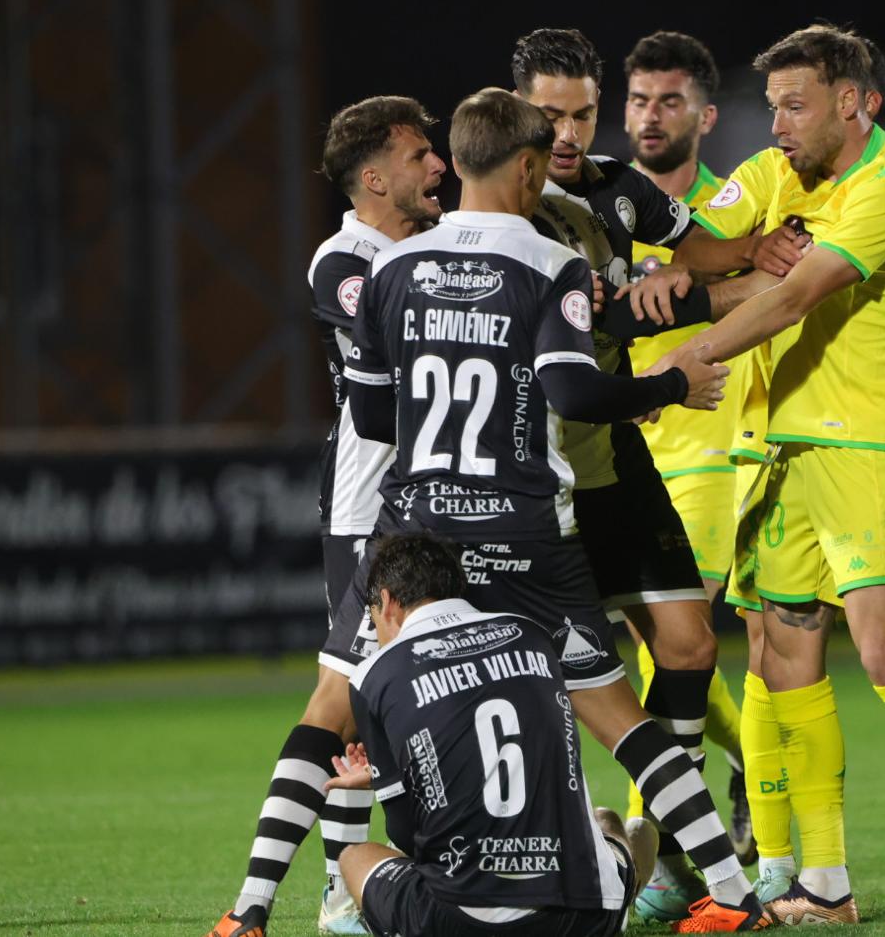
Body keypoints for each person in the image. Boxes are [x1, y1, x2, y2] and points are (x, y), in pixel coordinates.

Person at [330, 87, 771, 933]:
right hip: (523, 534)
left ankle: (335, 894)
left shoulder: (391, 265)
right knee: (618, 718)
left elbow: (376, 415)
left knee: (367, 704)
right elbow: (571, 388)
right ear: (529, 168)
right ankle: (733, 892)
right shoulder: (546, 262)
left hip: (425, 539)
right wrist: (673, 383)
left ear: (453, 162)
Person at [651, 24, 885, 925]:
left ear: (851, 101)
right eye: (771, 107)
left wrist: (678, 364)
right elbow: (688, 251)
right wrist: (744, 247)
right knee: (779, 657)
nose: (776, 126)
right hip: (780, 451)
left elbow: (798, 296)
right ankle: (821, 880)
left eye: (793, 105)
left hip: (867, 451)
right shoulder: (772, 178)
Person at [509, 29, 800, 923]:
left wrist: (767, 249)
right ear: (516, 109)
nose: (567, 132)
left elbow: (700, 251)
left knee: (689, 643)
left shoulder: (614, 189)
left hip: (615, 458)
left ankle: (666, 848)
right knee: (521, 686)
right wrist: (655, 364)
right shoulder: (498, 211)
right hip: (534, 469)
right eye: (549, 115)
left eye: (582, 113)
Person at [206, 96, 446, 937]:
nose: (439, 167)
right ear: (374, 177)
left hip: (445, 503)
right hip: (374, 511)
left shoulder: (434, 247)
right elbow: (399, 329)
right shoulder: (343, 259)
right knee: (340, 699)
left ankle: (347, 893)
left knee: (386, 703)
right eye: (421, 156)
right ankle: (252, 908)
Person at [322, 533, 659, 937]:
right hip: (585, 916)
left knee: (355, 856)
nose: (376, 631)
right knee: (607, 821)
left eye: (373, 615)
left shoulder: (373, 674)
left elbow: (406, 836)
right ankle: (634, 881)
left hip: (464, 920)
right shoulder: (532, 634)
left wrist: (393, 780)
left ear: (389, 601)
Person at [620, 29, 752, 865]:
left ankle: (648, 841)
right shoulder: (602, 205)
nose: (650, 115)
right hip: (623, 450)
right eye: (637, 99)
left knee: (680, 630)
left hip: (709, 441)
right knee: (663, 644)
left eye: (669, 100)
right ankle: (745, 762)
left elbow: (773, 286)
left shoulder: (733, 211)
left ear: (704, 113)